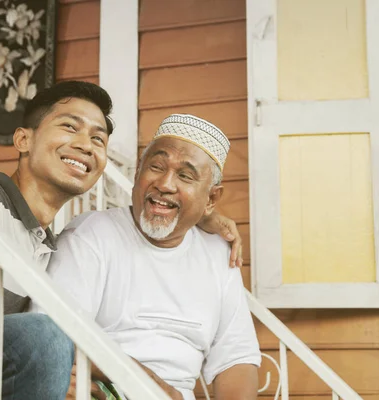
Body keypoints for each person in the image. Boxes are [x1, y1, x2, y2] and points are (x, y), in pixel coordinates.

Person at [0, 82, 243, 399]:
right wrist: (33, 367)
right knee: (47, 336)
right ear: (24, 138)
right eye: (70, 127)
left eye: (98, 138)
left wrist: (200, 215)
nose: (86, 144)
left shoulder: (42, 244)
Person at [35, 114, 261, 400]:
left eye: (185, 175)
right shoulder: (92, 234)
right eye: (156, 167)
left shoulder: (218, 254)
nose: (165, 184)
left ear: (212, 200)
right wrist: (154, 388)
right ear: (137, 175)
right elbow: (53, 337)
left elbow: (236, 359)